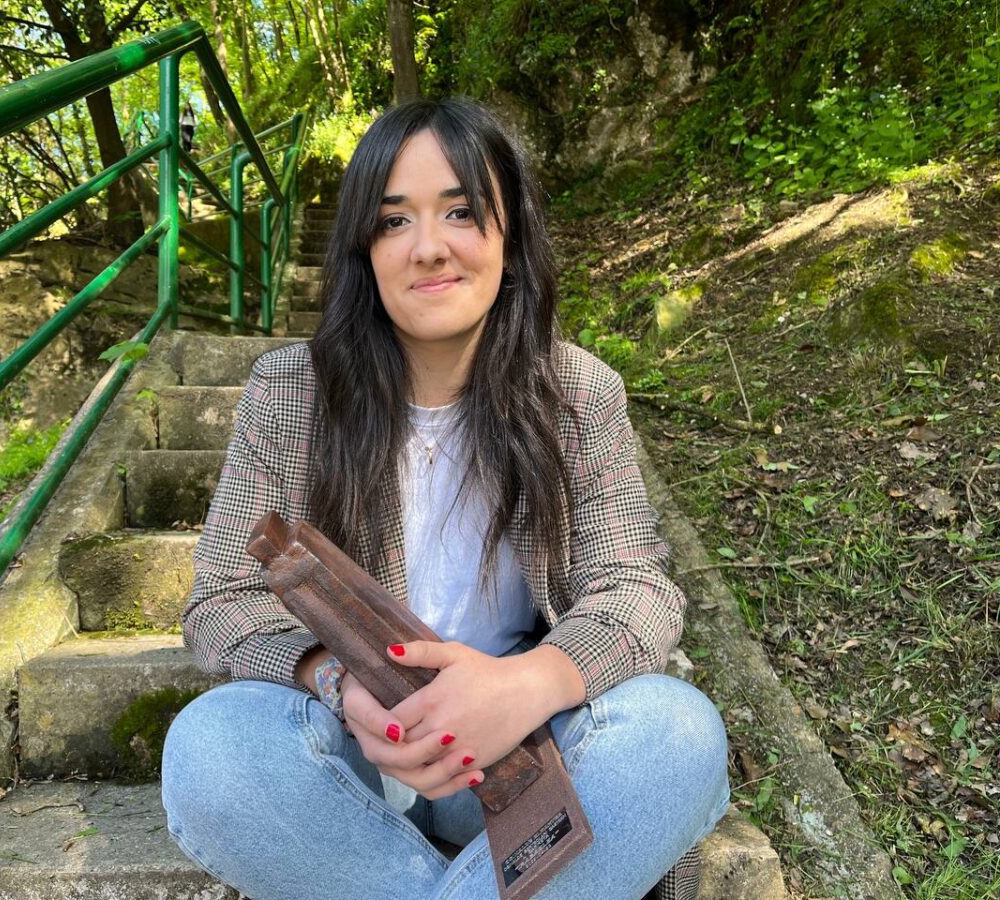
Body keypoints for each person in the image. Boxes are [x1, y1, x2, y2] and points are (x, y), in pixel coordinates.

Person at [161, 97, 730, 900]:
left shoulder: (578, 394)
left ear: (511, 235)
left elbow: (635, 586)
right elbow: (222, 597)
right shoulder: (289, 393)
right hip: (355, 758)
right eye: (394, 221)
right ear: (364, 249)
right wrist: (337, 682)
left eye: (460, 212)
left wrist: (529, 685)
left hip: (519, 748)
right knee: (211, 751)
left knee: (678, 734)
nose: (428, 247)